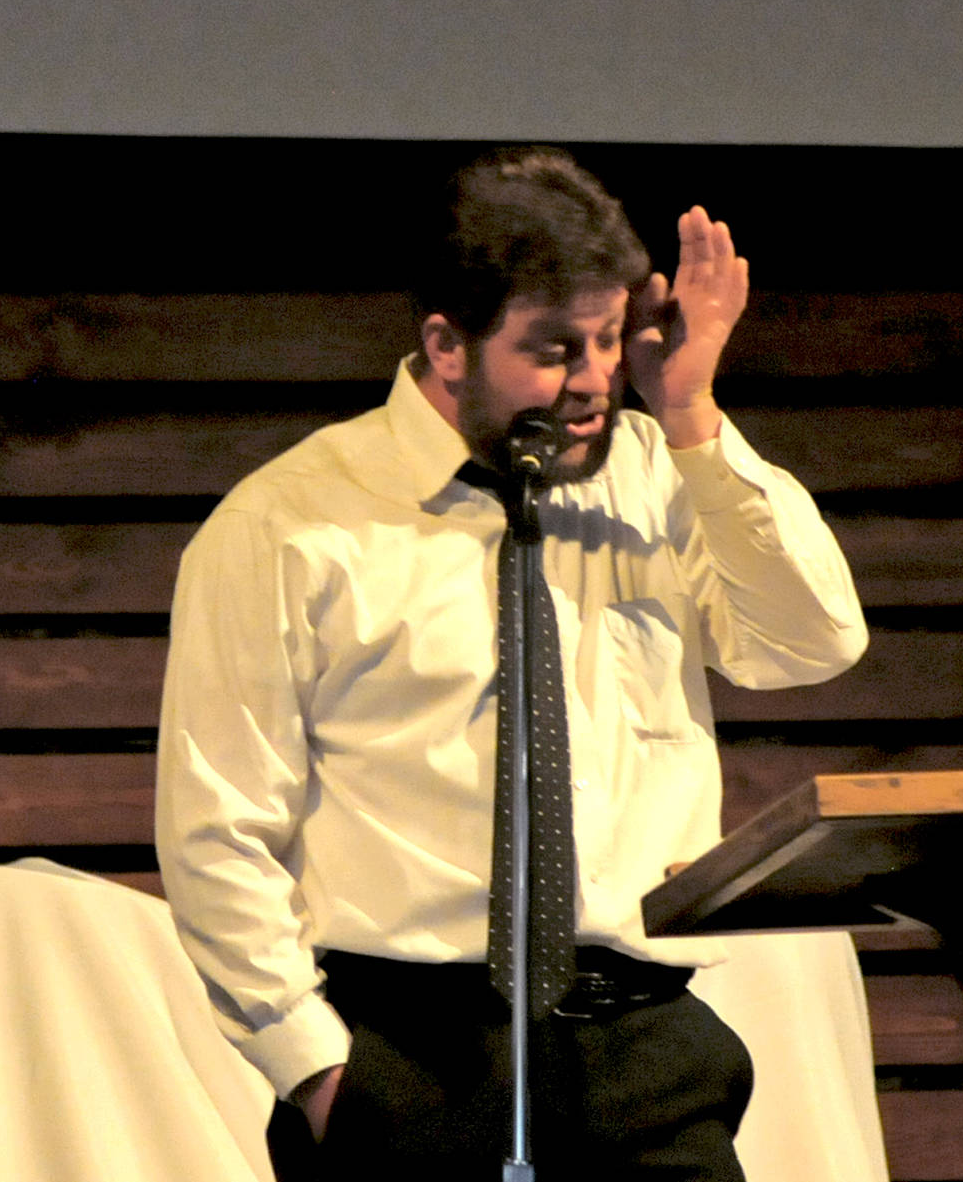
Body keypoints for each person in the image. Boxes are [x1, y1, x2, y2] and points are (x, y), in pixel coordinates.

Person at [155, 148, 868, 1180]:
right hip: (411, 1056)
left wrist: (690, 416)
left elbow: (806, 643)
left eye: (609, 340)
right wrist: (315, 1072)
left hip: (645, 1051)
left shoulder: (651, 472)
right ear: (446, 344)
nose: (590, 382)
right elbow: (216, 825)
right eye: (550, 349)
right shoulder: (289, 523)